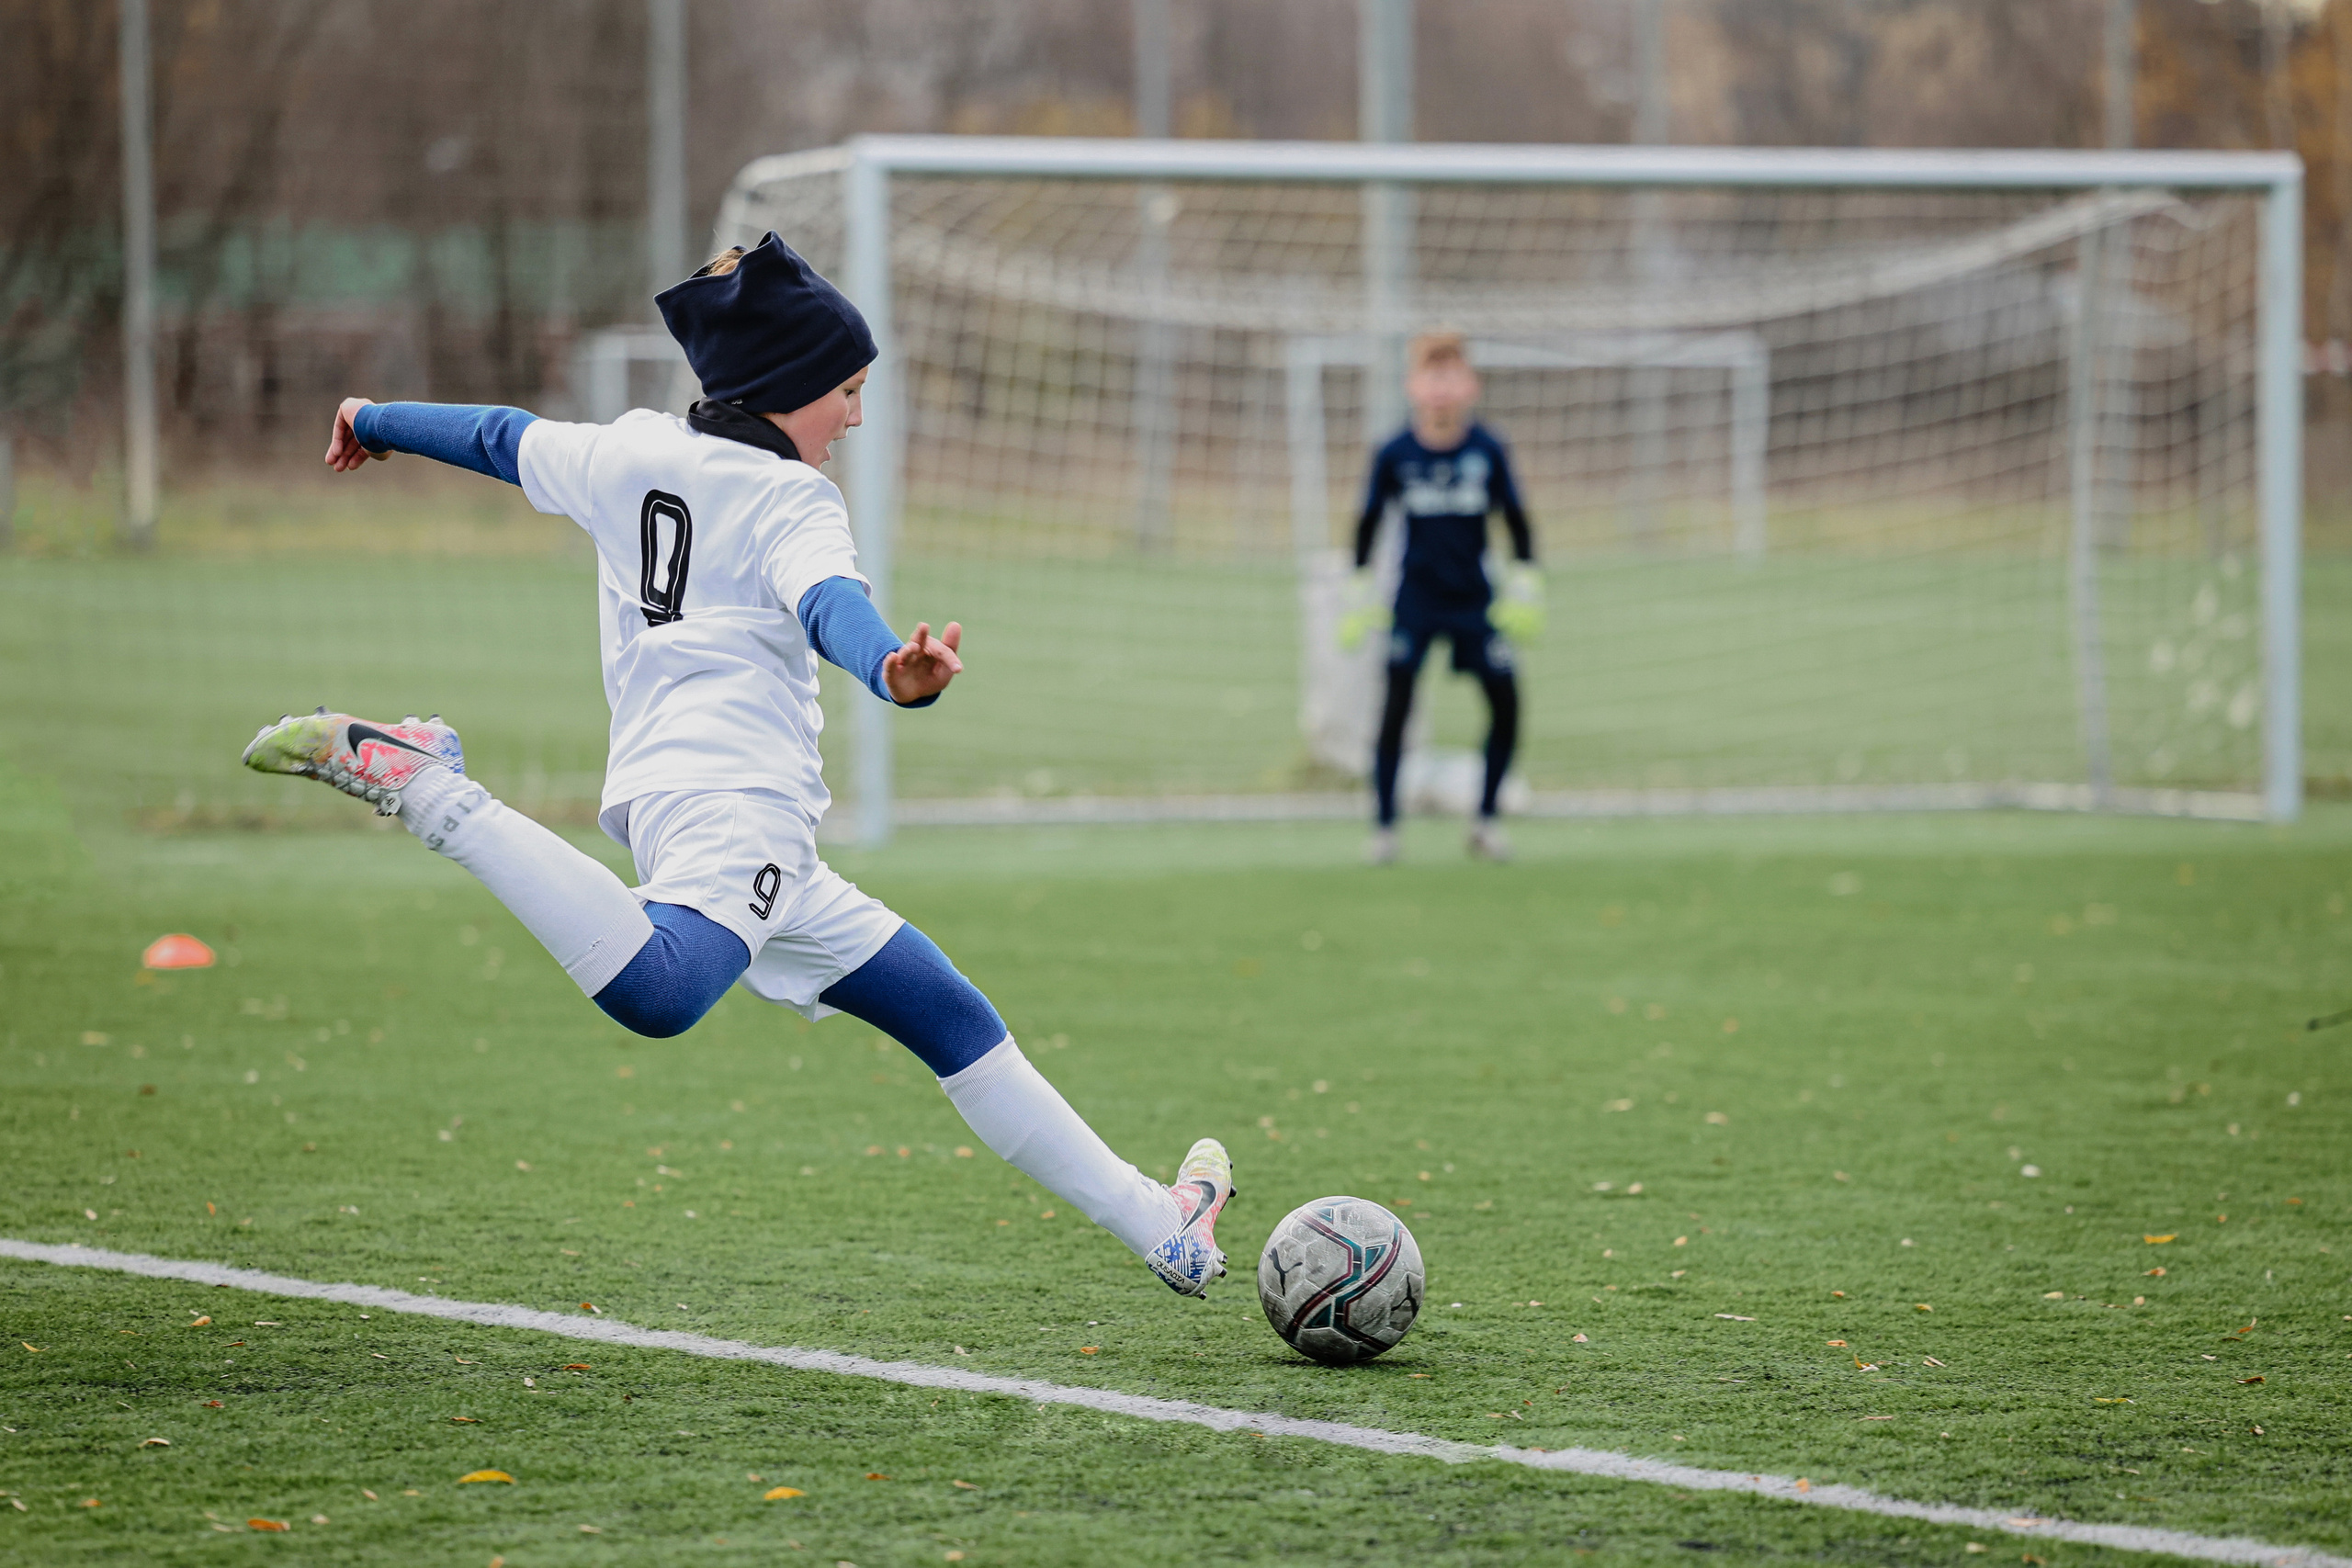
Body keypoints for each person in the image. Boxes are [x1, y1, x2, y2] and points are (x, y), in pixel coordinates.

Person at [241, 232, 1234, 1298]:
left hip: (693, 805)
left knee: (951, 1020)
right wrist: (891, 672)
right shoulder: (792, 500)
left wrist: (373, 420)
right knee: (661, 993)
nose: (854, 415)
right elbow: (829, 606)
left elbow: (498, 435)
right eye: (845, 392)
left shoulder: (627, 451)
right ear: (786, 389)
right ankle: (432, 786)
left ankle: (1161, 1227)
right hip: (738, 803)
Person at [1342, 333, 1541, 864]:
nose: (1442, 389)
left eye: (1452, 376)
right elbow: (1367, 520)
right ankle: (1384, 829)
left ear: (1470, 386)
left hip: (1475, 600)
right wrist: (1359, 583)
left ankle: (1486, 821)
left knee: (1506, 703)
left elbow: (1517, 519)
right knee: (1395, 708)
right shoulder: (1394, 453)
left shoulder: (1488, 449)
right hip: (1416, 599)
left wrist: (1525, 579)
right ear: (1413, 387)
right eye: (1432, 376)